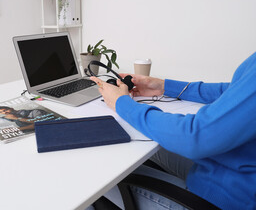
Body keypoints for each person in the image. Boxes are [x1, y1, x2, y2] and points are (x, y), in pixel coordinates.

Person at [90, 52, 256, 210]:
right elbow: (234, 90)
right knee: (148, 146)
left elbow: (194, 136)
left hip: (223, 198)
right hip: (227, 168)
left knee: (90, 174)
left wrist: (122, 103)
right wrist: (164, 86)